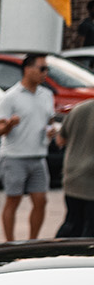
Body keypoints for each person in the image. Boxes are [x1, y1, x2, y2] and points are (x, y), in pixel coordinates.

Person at [0, 53, 61, 241]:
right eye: (42, 68)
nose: (45, 73)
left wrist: (51, 130)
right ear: (27, 69)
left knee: (41, 201)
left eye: (47, 69)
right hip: (14, 157)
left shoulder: (46, 95)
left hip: (38, 156)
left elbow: (49, 120)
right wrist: (10, 124)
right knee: (13, 201)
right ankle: (10, 244)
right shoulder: (10, 97)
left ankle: (32, 241)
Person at [57, 92, 94, 236]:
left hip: (72, 177)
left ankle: (60, 248)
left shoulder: (78, 108)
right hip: (90, 182)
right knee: (89, 230)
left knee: (72, 222)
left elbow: (60, 140)